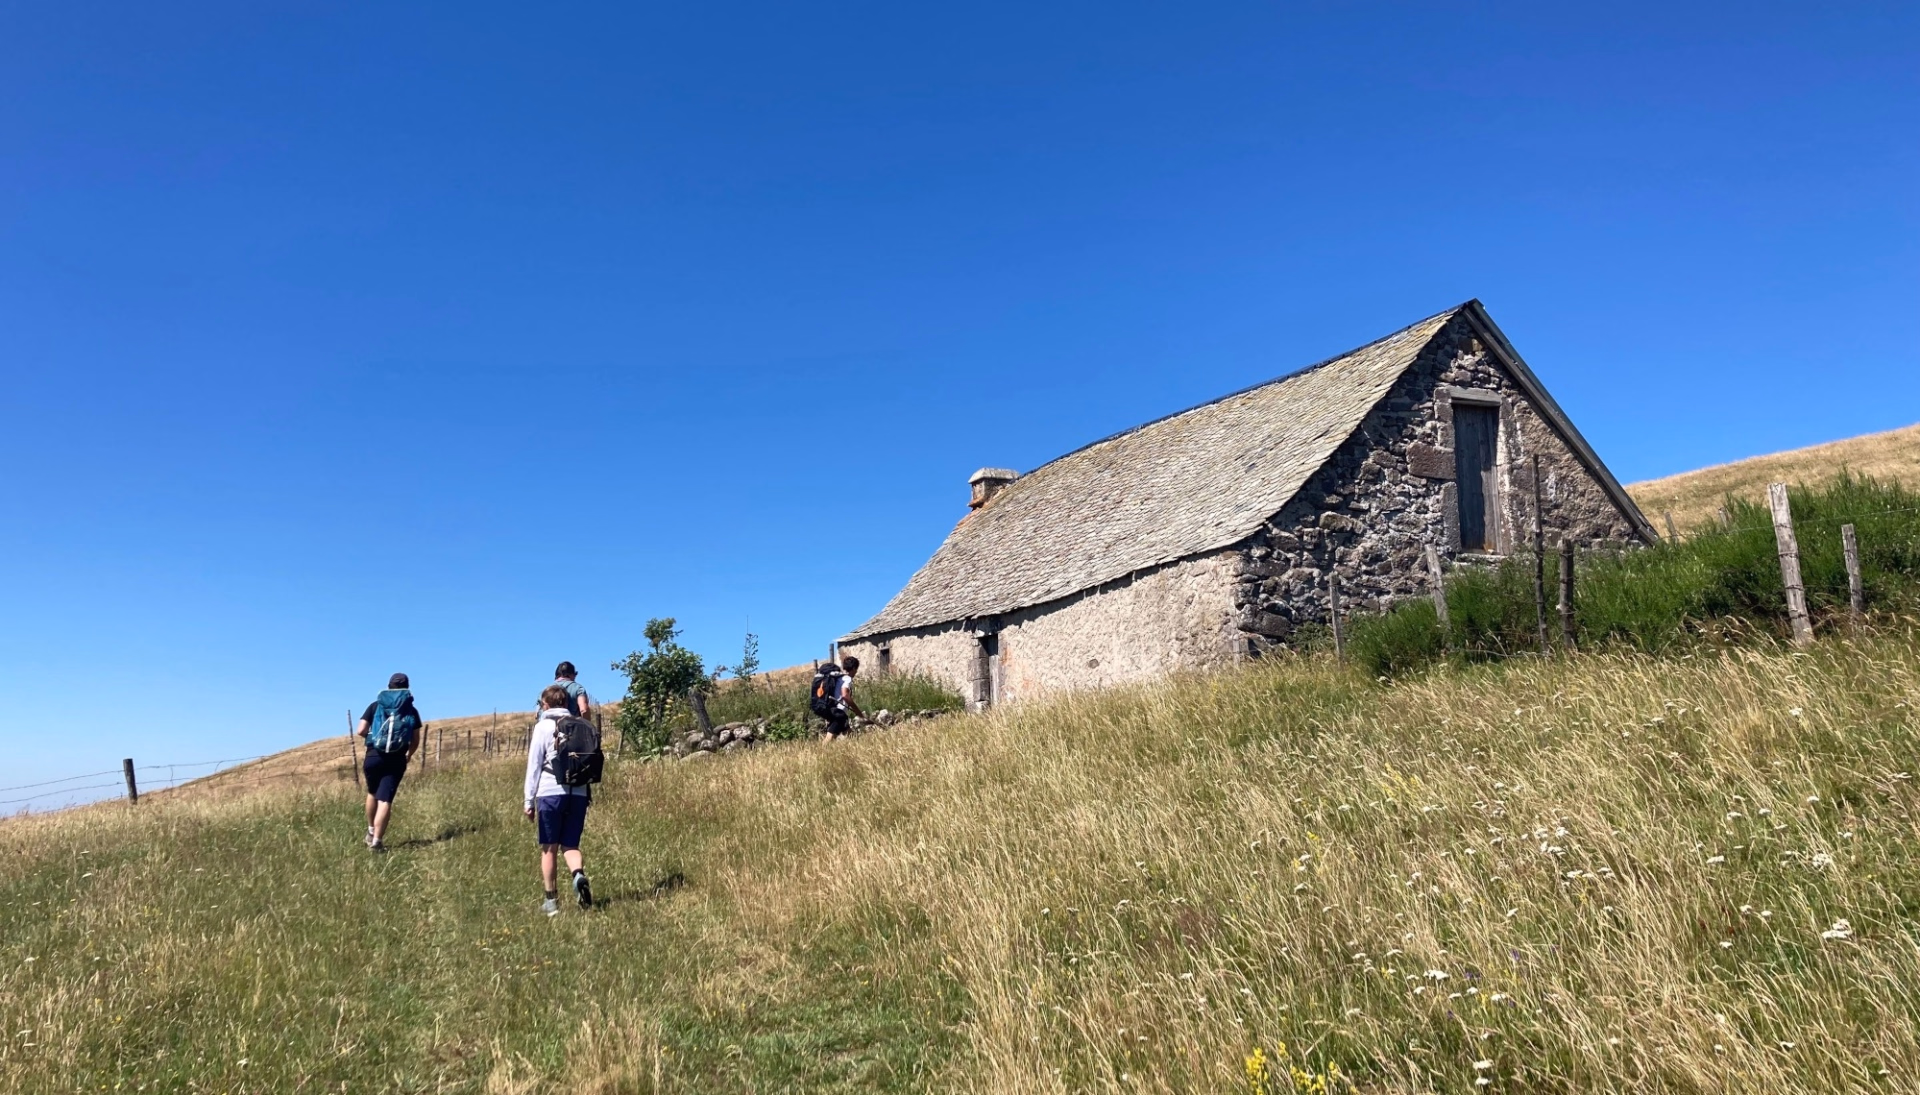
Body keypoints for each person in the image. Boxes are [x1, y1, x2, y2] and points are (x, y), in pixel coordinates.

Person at [524, 683, 594, 916]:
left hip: (550, 792)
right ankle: (578, 874)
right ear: (566, 702)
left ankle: (551, 902)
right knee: (571, 844)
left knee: (549, 848)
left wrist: (528, 801)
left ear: (545, 704)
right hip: (579, 792)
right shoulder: (582, 725)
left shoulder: (543, 727)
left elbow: (534, 765)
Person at [355, 673, 424, 852]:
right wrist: (409, 754)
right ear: (407, 688)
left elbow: (361, 730)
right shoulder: (411, 710)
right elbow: (416, 739)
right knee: (385, 800)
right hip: (396, 758)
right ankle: (377, 842)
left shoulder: (375, 705)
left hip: (373, 756)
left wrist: (374, 738)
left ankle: (370, 831)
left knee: (372, 792)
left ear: (388, 686)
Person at [820, 655, 866, 741]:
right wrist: (857, 711)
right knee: (829, 739)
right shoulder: (847, 679)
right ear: (853, 669)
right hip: (838, 713)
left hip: (833, 710)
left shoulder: (839, 678)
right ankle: (819, 754)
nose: (856, 672)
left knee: (851, 736)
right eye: (856, 669)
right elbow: (845, 695)